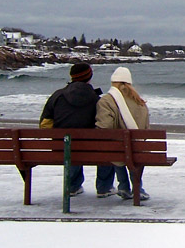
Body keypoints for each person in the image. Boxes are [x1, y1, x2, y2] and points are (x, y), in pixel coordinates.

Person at [39, 63, 109, 197]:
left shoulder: (57, 96)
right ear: (90, 76)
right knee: (107, 144)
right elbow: (104, 125)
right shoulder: (97, 99)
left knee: (70, 143)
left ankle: (72, 186)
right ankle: (104, 187)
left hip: (62, 148)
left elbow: (45, 124)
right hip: (92, 149)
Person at [95, 66, 151, 200]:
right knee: (131, 149)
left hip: (118, 151)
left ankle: (124, 186)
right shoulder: (140, 102)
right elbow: (146, 128)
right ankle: (138, 187)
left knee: (116, 149)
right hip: (138, 150)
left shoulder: (106, 101)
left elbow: (105, 128)